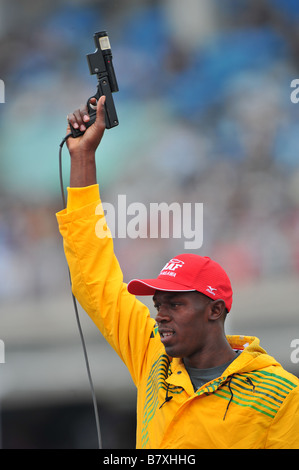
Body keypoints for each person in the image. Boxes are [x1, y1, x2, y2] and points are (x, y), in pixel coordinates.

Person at [56, 96, 299, 449]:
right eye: (158, 304)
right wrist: (83, 158)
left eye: (175, 304)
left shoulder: (280, 394)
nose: (161, 316)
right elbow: (94, 279)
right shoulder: (152, 353)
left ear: (215, 310)